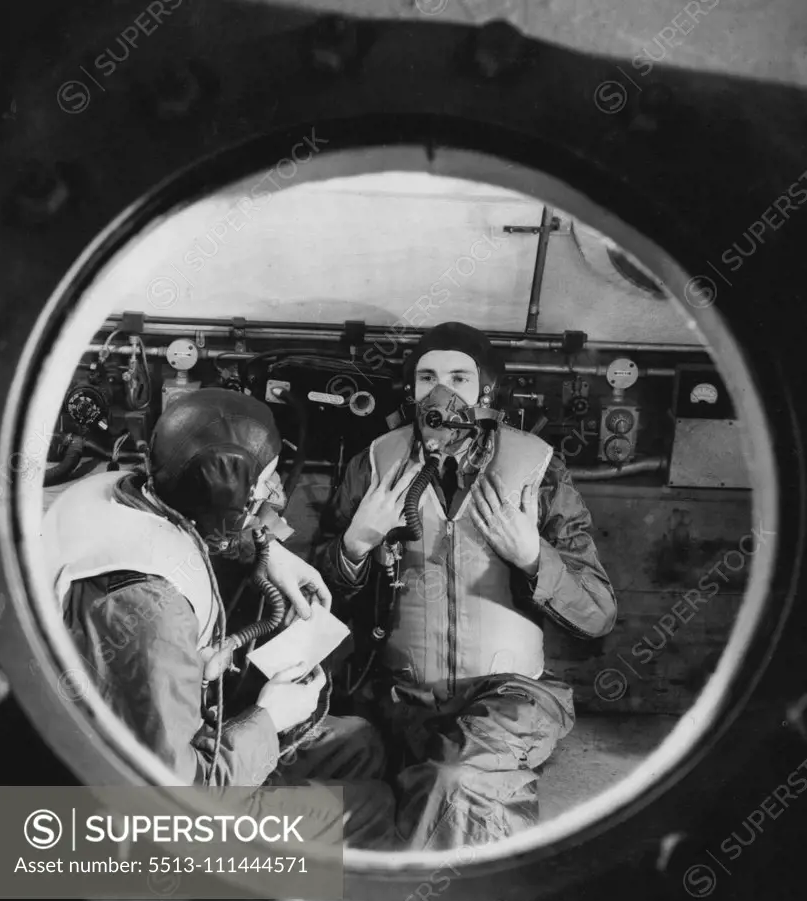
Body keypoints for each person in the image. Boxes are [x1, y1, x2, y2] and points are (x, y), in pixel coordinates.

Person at [42, 388, 394, 848]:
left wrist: (267, 551)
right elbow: (177, 800)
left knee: (357, 742)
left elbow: (185, 520)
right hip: (137, 822)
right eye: (265, 481)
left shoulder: (117, 491)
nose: (277, 493)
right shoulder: (152, 613)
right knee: (372, 804)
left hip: (143, 753)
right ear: (232, 495)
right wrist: (270, 717)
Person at [316, 322, 617, 849]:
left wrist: (532, 557)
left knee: (454, 783)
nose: (442, 391)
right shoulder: (376, 464)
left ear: (487, 391)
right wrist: (355, 545)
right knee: (375, 792)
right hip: (399, 696)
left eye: (459, 376)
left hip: (508, 697)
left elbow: (597, 614)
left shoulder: (536, 470)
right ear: (410, 391)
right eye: (427, 376)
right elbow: (316, 597)